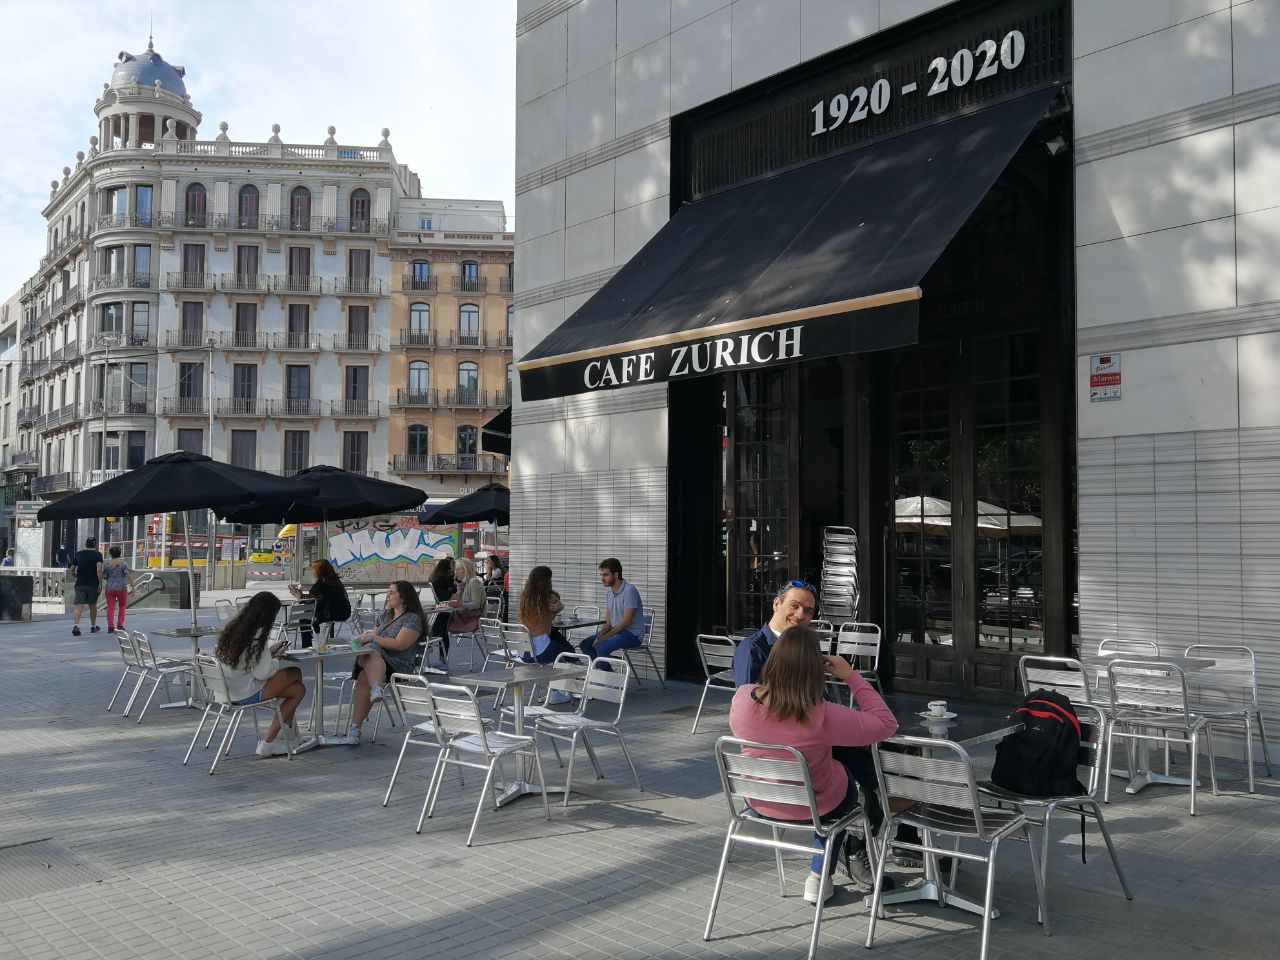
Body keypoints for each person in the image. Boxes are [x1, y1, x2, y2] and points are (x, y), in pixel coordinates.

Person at [731, 579, 890, 884]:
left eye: (808, 611)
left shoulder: (799, 648)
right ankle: (845, 857)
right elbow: (761, 711)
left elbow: (752, 705)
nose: (801, 614)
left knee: (880, 771)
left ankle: (888, 841)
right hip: (792, 763)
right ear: (776, 604)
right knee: (859, 780)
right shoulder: (753, 649)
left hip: (802, 752)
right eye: (794, 606)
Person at [213, 591, 307, 757]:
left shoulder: (234, 628)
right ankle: (277, 737)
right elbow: (263, 673)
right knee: (295, 672)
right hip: (244, 691)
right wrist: (276, 657)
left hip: (226, 690)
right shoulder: (257, 635)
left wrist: (269, 652)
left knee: (298, 690)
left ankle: (281, 736)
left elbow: (249, 660)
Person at [346, 581, 426, 744]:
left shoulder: (412, 618)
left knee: (363, 678)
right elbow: (375, 642)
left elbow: (399, 644)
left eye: (392, 592)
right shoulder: (384, 615)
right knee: (371, 651)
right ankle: (376, 688)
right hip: (375, 660)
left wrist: (373, 637)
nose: (387, 596)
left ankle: (355, 728)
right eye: (388, 592)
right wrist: (364, 639)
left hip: (397, 665)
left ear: (403, 597)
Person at [578, 558, 644, 661]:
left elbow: (627, 621)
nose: (602, 579)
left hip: (632, 634)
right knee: (585, 644)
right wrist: (601, 635)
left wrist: (606, 637)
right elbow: (608, 623)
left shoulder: (629, 590)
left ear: (616, 575)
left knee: (602, 646)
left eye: (606, 575)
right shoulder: (609, 593)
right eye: (601, 575)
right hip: (617, 632)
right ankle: (605, 671)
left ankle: (602, 674)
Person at [517, 565, 574, 664]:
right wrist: (559, 608)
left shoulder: (524, 597)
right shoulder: (549, 598)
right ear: (547, 581)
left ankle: (575, 661)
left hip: (523, 654)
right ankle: (575, 665)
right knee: (564, 649)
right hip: (540, 653)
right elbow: (557, 607)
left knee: (556, 636)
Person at [289, 559, 351, 647]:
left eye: (314, 569)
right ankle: (316, 641)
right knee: (310, 617)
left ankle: (309, 646)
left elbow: (314, 599)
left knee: (305, 620)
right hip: (343, 612)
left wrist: (300, 596)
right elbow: (318, 597)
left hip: (332, 613)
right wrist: (302, 595)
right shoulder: (334, 580)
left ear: (320, 571)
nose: (313, 571)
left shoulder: (323, 582)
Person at [445, 557, 486, 644]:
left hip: (473, 617)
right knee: (441, 620)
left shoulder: (474, 583)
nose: (455, 572)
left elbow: (476, 604)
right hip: (465, 615)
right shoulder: (465, 583)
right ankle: (440, 649)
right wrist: (459, 588)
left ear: (466, 570)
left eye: (458, 569)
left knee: (442, 621)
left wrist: (461, 604)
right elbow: (459, 601)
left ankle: (433, 643)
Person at [70, 536, 105, 636]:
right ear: (95, 545)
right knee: (92, 605)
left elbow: (72, 569)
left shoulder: (79, 554)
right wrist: (100, 583)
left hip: (80, 583)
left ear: (86, 544)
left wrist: (75, 575)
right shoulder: (98, 555)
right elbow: (99, 569)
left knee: (79, 605)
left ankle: (76, 626)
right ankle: (93, 626)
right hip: (92, 584)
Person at [427, 556, 456, 663]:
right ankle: (443, 655)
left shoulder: (434, 576)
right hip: (445, 603)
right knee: (443, 630)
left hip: (439, 604)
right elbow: (451, 590)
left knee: (438, 626)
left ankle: (430, 641)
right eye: (449, 567)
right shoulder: (443, 577)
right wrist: (454, 582)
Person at [103, 546, 136, 633]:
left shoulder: (106, 564)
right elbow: (129, 576)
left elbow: (105, 576)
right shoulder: (124, 564)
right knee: (122, 606)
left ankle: (110, 626)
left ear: (110, 554)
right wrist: (133, 587)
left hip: (109, 588)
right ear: (120, 553)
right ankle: (120, 625)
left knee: (110, 607)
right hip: (121, 588)